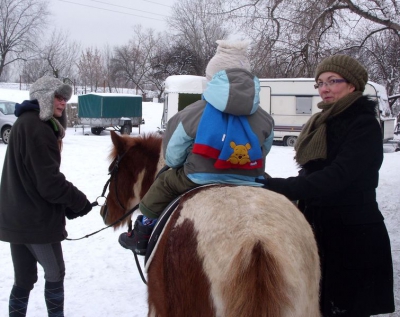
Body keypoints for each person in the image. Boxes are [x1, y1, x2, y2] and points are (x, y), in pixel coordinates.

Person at [256, 54, 395, 317]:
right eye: (320, 83)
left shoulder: (363, 124)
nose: (324, 88)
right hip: (320, 226)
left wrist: (281, 187)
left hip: (352, 233)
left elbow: (338, 176)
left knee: (344, 307)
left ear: (352, 85)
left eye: (333, 81)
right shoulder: (323, 121)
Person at [119, 40, 274, 255]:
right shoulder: (265, 118)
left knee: (164, 182)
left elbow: (172, 156)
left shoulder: (192, 113)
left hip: (197, 178)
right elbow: (264, 150)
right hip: (249, 178)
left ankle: (143, 230)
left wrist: (184, 162)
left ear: (213, 79)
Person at [0, 76, 93, 317]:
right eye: (57, 97)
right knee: (55, 273)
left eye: (64, 98)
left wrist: (69, 207)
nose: (62, 103)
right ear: (42, 96)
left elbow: (34, 178)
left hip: (16, 216)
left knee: (24, 279)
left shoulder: (24, 122)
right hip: (34, 221)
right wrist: (79, 202)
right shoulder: (38, 129)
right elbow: (49, 183)